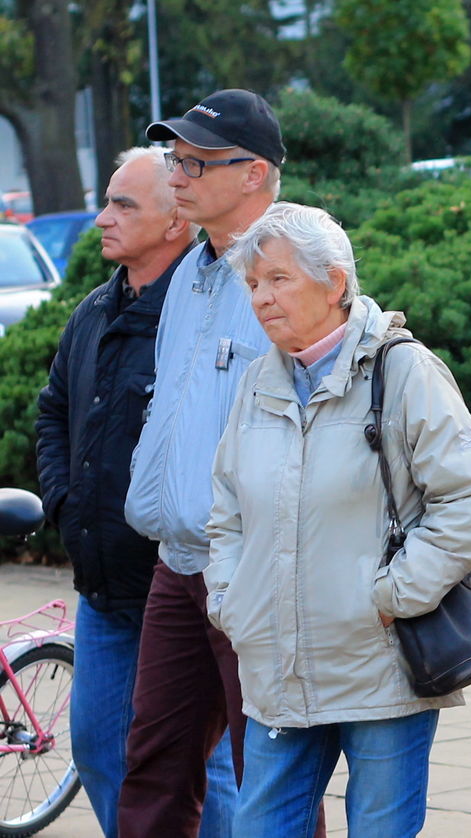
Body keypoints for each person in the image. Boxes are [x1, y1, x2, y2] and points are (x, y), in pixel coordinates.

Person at [204, 202, 471, 836]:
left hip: (380, 666)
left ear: (335, 281)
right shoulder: (259, 381)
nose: (261, 298)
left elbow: (469, 501)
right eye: (253, 284)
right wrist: (230, 598)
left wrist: (393, 596)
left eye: (278, 279)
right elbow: (227, 512)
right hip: (275, 669)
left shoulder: (404, 370)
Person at [118, 89, 307, 838]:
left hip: (255, 567)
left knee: (268, 773)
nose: (177, 176)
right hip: (178, 563)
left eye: (197, 162)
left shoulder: (295, 267)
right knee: (154, 763)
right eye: (174, 160)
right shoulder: (190, 272)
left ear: (255, 172)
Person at [34, 146, 236, 838]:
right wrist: (64, 503)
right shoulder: (94, 311)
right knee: (96, 748)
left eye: (123, 204)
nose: (101, 219)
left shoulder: (199, 316)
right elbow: (52, 411)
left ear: (175, 221)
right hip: (103, 588)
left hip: (176, 583)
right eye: (107, 201)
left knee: (200, 769)